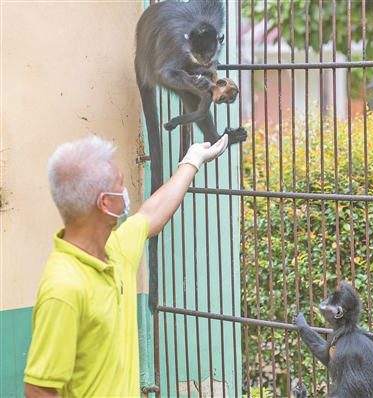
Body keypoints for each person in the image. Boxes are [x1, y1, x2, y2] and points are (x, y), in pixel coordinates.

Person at [23, 133, 228, 398]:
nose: (125, 192)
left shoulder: (115, 249)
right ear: (104, 203)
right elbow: (39, 389)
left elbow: (151, 215)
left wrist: (192, 161)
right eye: (120, 185)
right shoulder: (64, 287)